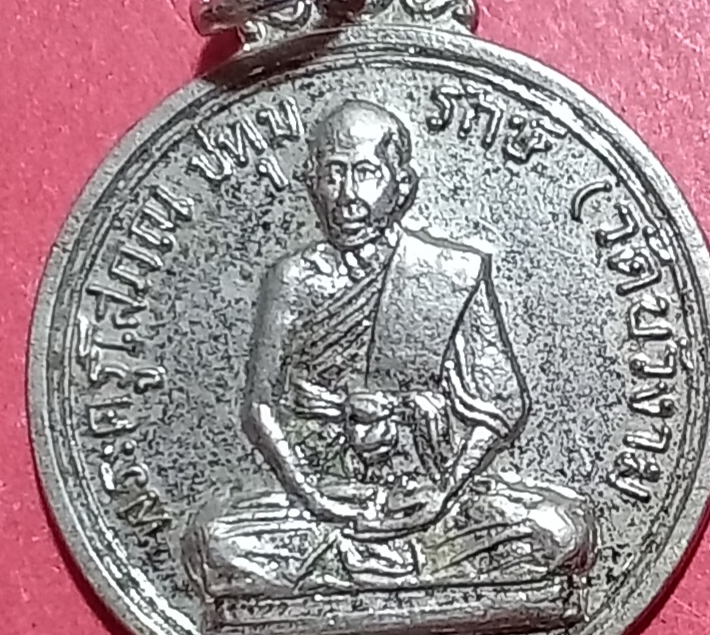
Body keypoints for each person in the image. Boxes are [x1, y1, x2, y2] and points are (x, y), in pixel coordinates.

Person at [183, 100, 594, 601]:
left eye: (366, 173)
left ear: (401, 186)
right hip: (325, 501)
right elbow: (260, 408)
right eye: (333, 174)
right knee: (213, 545)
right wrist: (314, 496)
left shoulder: (449, 272)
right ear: (312, 183)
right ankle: (397, 566)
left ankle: (372, 566)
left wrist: (443, 491)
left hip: (430, 495)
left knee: (559, 533)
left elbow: (503, 403)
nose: (347, 197)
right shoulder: (291, 279)